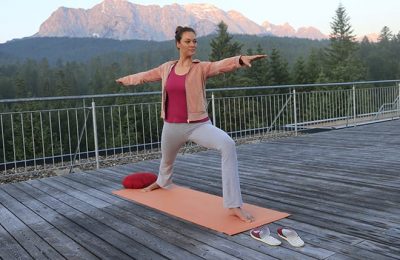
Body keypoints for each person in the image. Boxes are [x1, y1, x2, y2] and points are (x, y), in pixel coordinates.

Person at [116, 26, 266, 222]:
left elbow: (219, 65)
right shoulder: (166, 68)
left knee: (228, 144)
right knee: (166, 161)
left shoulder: (200, 68)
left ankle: (233, 204)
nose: (193, 44)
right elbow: (145, 75)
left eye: (195, 41)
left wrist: (239, 60)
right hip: (171, 126)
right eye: (188, 41)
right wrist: (126, 80)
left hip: (198, 125)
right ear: (178, 44)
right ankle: (162, 182)